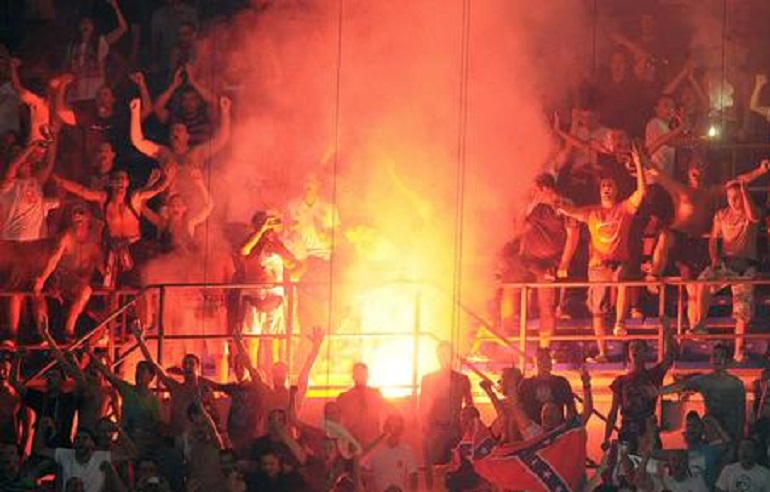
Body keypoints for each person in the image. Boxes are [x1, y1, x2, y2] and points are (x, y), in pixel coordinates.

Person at [644, 158, 770, 323]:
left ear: (706, 171)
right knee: (665, 236)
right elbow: (657, 173)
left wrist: (760, 170)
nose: (697, 168)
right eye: (694, 165)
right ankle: (654, 274)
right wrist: (641, 158)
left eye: (701, 165)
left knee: (694, 290)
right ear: (688, 171)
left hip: (700, 242)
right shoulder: (679, 188)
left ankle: (695, 328)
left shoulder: (712, 192)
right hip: (681, 237)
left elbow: (738, 181)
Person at [556, 143, 647, 361]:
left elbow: (642, 192)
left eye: (610, 185)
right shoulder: (592, 212)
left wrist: (638, 164)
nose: (607, 188)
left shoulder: (624, 208)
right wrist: (559, 204)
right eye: (604, 185)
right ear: (600, 191)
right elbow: (571, 211)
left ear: (616, 190)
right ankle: (602, 352)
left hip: (618, 264)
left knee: (622, 277)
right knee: (598, 311)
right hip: (597, 267)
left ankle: (620, 322)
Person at [52, 166, 175, 287]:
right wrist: (62, 182)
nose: (120, 182)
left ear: (127, 183)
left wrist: (167, 180)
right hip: (113, 248)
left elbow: (156, 190)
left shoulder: (135, 198)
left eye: (123, 179)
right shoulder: (104, 199)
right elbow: (82, 191)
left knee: (138, 285)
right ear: (111, 183)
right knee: (111, 288)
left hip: (134, 247)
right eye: (117, 179)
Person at [500, 173, 579, 345]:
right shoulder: (532, 205)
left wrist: (564, 263)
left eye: (535, 189)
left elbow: (573, 235)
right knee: (509, 284)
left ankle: (544, 347)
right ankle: (506, 332)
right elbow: (518, 230)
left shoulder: (564, 205)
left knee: (546, 305)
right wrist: (526, 207)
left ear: (546, 189)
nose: (532, 192)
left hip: (549, 262)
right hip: (527, 259)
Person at [690, 179, 760, 361]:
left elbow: (754, 217)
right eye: (730, 197)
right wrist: (714, 258)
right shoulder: (721, 215)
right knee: (703, 281)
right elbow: (713, 239)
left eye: (737, 197)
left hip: (745, 268)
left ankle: (739, 351)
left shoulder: (750, 212)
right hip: (725, 264)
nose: (734, 201)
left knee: (742, 311)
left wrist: (744, 189)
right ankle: (700, 324)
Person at [129, 96, 230, 218]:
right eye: (172, 131)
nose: (175, 133)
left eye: (179, 130)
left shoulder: (197, 153)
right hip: (168, 207)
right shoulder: (163, 153)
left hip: (192, 204)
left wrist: (225, 112)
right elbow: (138, 142)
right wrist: (135, 112)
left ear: (187, 136)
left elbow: (221, 140)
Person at [1, 139, 58, 341]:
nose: (26, 162)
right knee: (15, 290)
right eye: (21, 158)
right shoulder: (7, 183)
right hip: (15, 244)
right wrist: (30, 147)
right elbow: (13, 165)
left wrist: (52, 140)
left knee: (37, 289)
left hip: (37, 244)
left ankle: (44, 335)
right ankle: (12, 335)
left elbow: (48, 164)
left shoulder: (35, 182)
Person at [603, 319, 676, 454]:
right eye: (632, 348)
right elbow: (613, 412)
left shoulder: (654, 375)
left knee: (651, 464)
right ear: (628, 353)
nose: (634, 350)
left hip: (647, 430)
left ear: (645, 352)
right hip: (627, 430)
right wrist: (606, 437)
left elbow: (669, 357)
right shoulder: (620, 381)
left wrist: (667, 331)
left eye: (638, 348)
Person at [33, 204, 102, 339]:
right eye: (74, 213)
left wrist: (107, 273)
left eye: (81, 212)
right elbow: (54, 259)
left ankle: (87, 335)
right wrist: (43, 279)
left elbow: (98, 259)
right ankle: (68, 328)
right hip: (64, 280)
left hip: (82, 284)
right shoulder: (66, 236)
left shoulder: (95, 237)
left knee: (92, 295)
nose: (77, 215)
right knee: (85, 290)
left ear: (89, 217)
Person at [660, 344, 746, 444]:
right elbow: (683, 385)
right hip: (712, 433)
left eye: (722, 356)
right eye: (715, 356)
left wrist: (739, 439)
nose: (718, 359)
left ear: (728, 360)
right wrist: (659, 391)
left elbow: (741, 414)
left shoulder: (737, 384)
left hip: (731, 433)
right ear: (711, 359)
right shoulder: (704, 380)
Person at [85, 348, 161, 460]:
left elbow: (156, 425)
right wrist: (91, 354)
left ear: (151, 376)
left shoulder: (154, 401)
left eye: (142, 370)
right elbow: (108, 375)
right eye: (137, 370)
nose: (138, 373)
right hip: (123, 442)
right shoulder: (127, 389)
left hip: (141, 445)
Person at [419, 341, 473, 491]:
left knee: (456, 468)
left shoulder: (462, 379)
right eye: (442, 353)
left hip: (455, 429)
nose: (444, 357)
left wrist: (467, 427)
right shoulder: (428, 379)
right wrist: (425, 427)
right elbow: (423, 405)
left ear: (452, 355)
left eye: (447, 353)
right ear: (437, 356)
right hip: (435, 429)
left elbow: (469, 405)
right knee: (432, 467)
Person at [34, 423, 133, 492]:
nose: (80, 441)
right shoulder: (65, 454)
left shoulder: (101, 457)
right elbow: (40, 450)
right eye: (77, 438)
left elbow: (132, 454)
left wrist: (118, 430)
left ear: (93, 444)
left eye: (85, 438)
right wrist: (42, 427)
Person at [62, 0, 127, 103]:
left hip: (96, 95)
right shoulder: (72, 46)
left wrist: (116, 8)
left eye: (89, 23)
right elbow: (66, 68)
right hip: (75, 95)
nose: (86, 25)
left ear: (93, 26)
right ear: (79, 26)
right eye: (83, 23)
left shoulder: (100, 42)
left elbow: (123, 28)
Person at [517, 347, 577, 425]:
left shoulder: (561, 383)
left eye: (547, 359)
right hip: (533, 429)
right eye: (541, 359)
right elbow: (518, 409)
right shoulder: (526, 384)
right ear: (535, 363)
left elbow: (571, 408)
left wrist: (567, 426)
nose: (544, 363)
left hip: (557, 428)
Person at [337, 362, 389, 447]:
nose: (360, 376)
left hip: (373, 439)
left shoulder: (376, 395)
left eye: (362, 374)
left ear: (368, 376)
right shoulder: (344, 397)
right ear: (353, 376)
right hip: (352, 440)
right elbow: (339, 421)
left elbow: (383, 414)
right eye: (358, 374)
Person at [364, 414, 419, 492]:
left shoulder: (407, 452)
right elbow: (363, 473)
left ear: (401, 430)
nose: (393, 431)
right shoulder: (374, 450)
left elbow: (413, 477)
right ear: (384, 428)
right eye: (390, 427)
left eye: (397, 428)